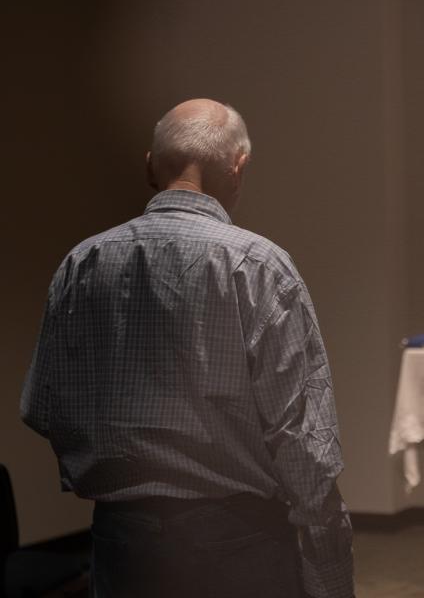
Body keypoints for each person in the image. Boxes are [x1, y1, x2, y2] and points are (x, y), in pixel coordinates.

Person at [20, 99, 354, 598]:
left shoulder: (83, 263)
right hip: (240, 542)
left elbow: (43, 408)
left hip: (122, 537)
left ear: (150, 165)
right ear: (238, 169)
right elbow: (303, 438)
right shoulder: (259, 266)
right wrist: (328, 553)